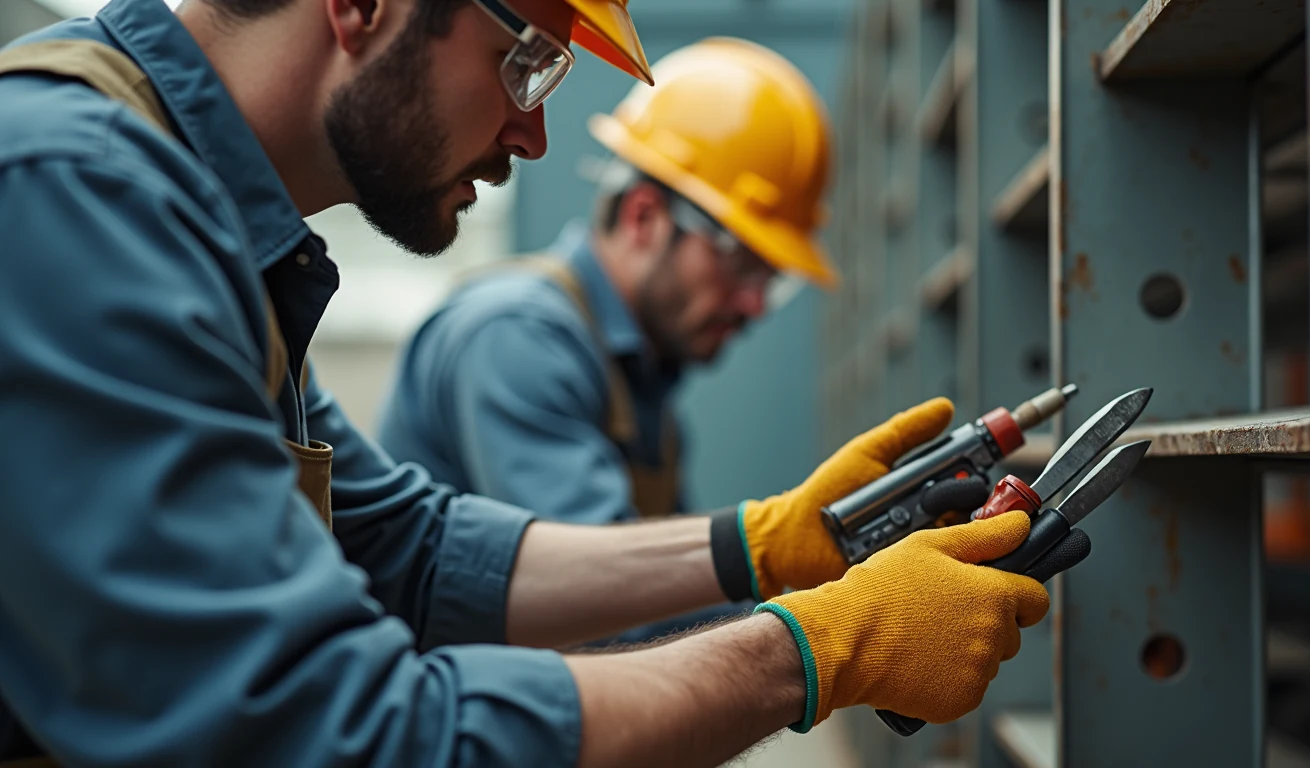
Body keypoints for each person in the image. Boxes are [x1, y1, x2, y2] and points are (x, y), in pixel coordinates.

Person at [0, 1, 1051, 766]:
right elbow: (334, 732)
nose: (533, 134)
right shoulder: (75, 199)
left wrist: (766, 543)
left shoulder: (212, 243)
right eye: (526, 61)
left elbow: (414, 553)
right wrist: (822, 645)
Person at [374, 37, 835, 642]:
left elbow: (677, 592)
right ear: (644, 217)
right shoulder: (517, 339)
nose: (753, 304)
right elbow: (611, 613)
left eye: (771, 283)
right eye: (743, 264)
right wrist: (826, 628)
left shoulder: (641, 378)